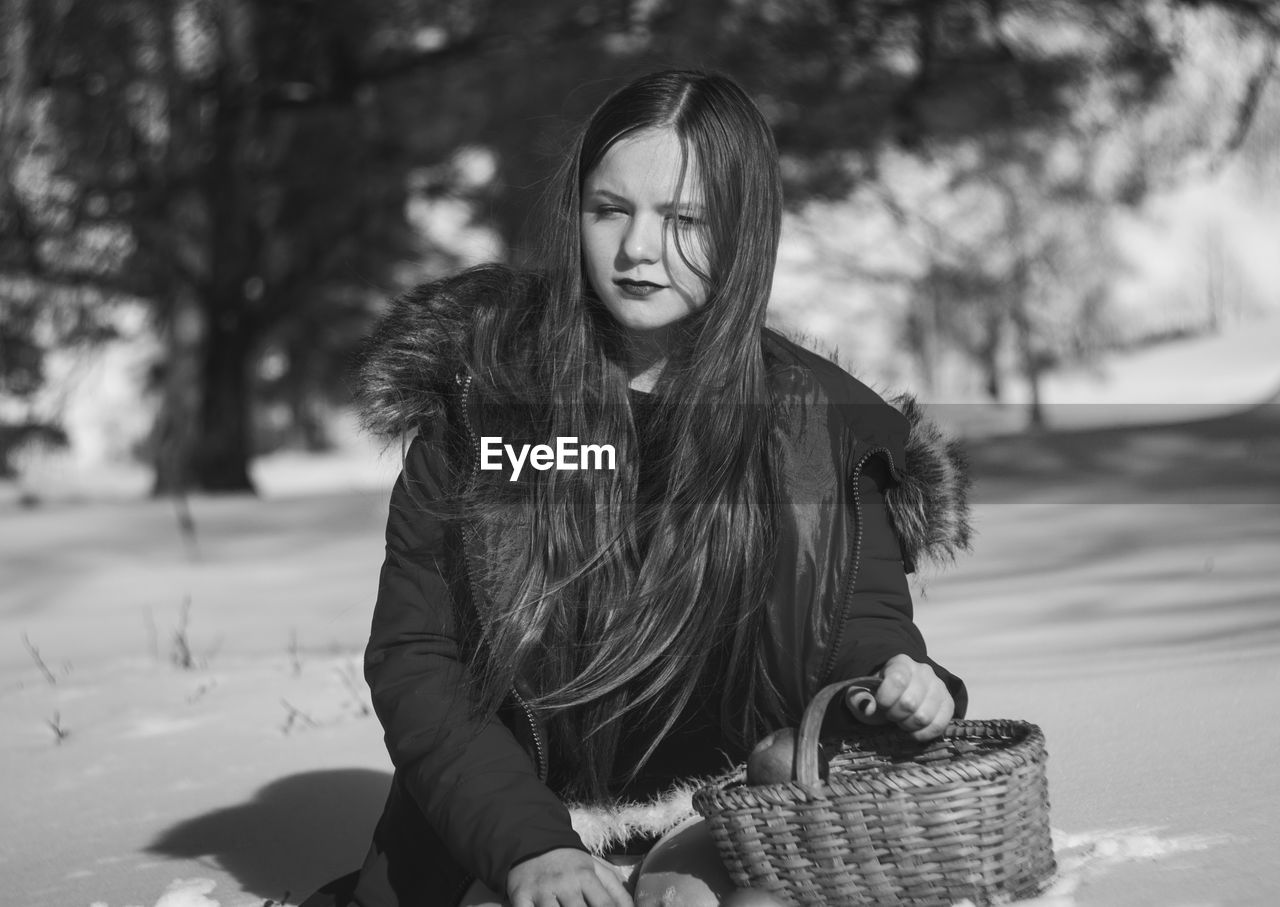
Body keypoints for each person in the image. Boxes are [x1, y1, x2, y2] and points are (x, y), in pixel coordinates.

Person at [301, 69, 972, 907]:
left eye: (685, 219)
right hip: (511, 831)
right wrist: (530, 849)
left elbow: (852, 635)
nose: (638, 250)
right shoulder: (486, 409)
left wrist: (906, 684)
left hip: (725, 815)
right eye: (609, 209)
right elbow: (420, 661)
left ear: (744, 232)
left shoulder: (818, 432)